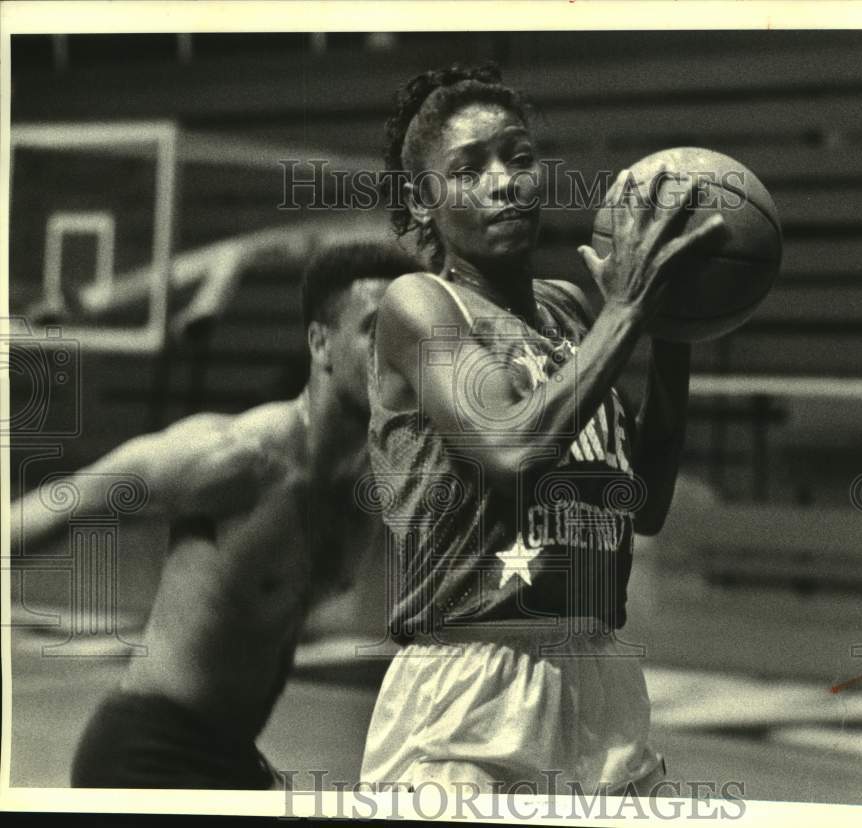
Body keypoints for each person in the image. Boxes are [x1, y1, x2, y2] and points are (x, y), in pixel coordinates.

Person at [360, 64, 728, 795]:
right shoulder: (420, 306)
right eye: (468, 168)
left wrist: (674, 327)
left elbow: (644, 504)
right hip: (470, 683)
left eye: (519, 157)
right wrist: (626, 314)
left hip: (600, 673)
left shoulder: (570, 313)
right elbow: (510, 446)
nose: (505, 180)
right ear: (423, 201)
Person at [11, 240, 421, 789]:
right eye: (374, 329)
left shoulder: (374, 478)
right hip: (146, 755)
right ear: (320, 344)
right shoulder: (235, 461)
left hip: (231, 760)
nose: (394, 351)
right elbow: (52, 509)